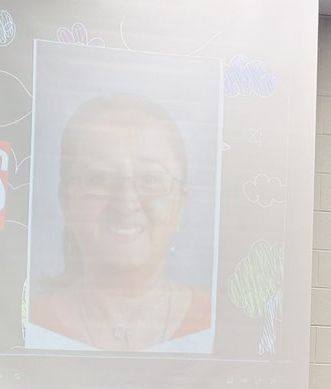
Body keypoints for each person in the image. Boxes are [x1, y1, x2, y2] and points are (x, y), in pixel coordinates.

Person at [26, 94, 211, 353]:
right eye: (100, 178)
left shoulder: (219, 322)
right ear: (65, 200)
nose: (126, 203)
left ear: (180, 203)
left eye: (150, 179)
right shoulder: (27, 324)